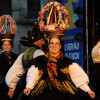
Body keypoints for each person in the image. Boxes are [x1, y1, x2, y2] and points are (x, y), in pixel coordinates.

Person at [23, 35, 95, 100]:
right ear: (48, 45)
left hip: (64, 90)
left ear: (60, 46)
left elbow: (78, 76)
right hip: (44, 90)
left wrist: (87, 90)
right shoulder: (39, 60)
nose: (54, 46)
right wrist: (29, 86)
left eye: (56, 44)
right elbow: (32, 74)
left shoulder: (66, 61)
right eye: (52, 43)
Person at [5, 23, 48, 99]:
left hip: (24, 86)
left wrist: (12, 88)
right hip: (35, 87)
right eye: (42, 40)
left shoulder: (23, 54)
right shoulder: (39, 53)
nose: (43, 43)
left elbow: (11, 75)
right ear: (38, 41)